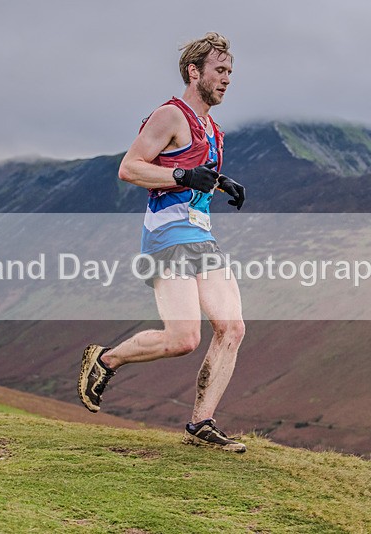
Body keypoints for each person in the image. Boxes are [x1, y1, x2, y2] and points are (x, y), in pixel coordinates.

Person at [78, 32, 247, 453]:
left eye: (230, 72)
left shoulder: (214, 130)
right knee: (183, 339)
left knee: (232, 328)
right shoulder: (169, 116)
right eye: (219, 71)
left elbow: (191, 171)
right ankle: (106, 360)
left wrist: (220, 182)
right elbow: (130, 168)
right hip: (166, 237)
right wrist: (182, 177)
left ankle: (201, 424)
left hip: (200, 235)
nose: (227, 79)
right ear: (194, 72)